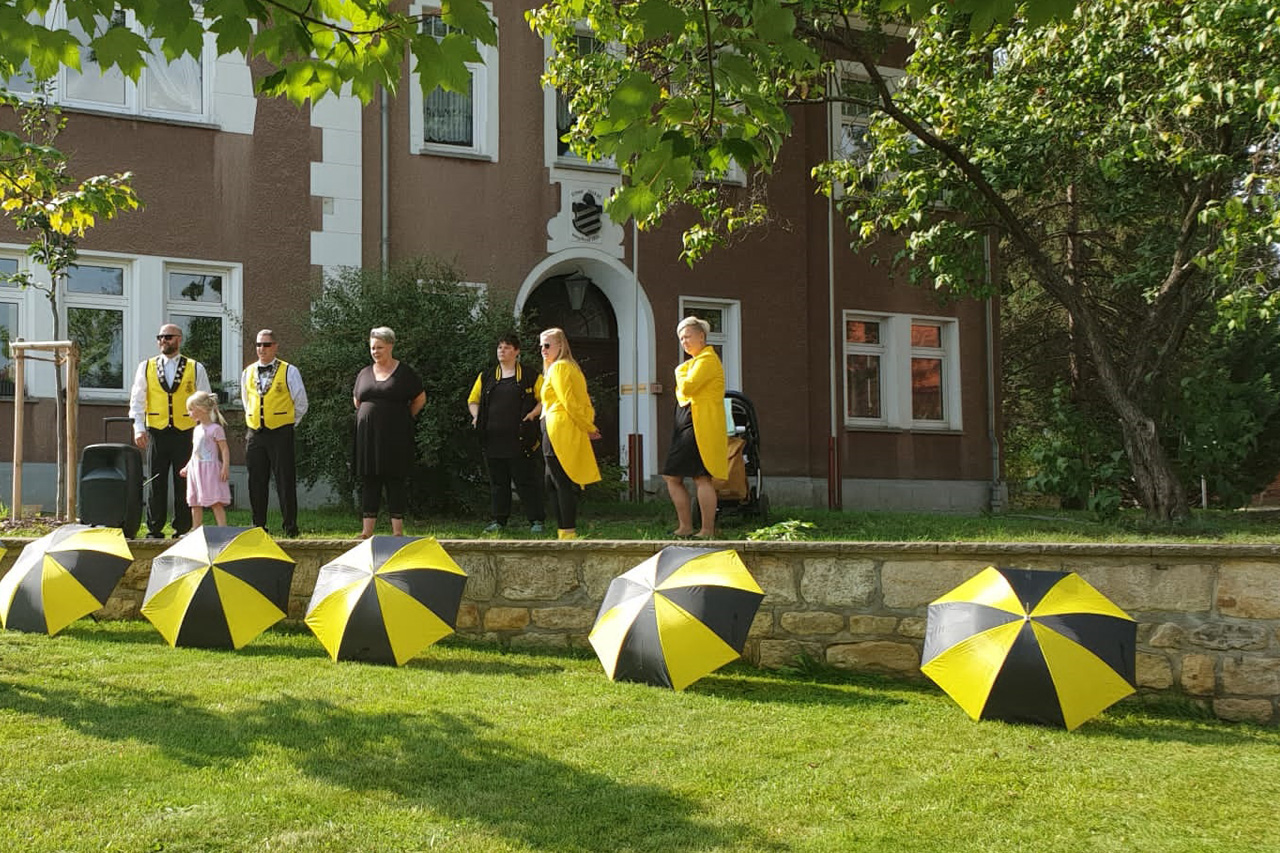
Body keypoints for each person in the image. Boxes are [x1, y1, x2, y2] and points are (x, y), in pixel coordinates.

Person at [129, 323, 212, 538]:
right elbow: (137, 400)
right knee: (156, 480)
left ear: (179, 339)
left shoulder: (195, 367)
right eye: (160, 337)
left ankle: (182, 528)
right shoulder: (146, 366)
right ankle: (154, 528)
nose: (163, 341)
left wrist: (205, 431)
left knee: (184, 480)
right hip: (156, 430)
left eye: (168, 337)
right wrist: (138, 428)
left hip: (186, 431)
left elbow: (205, 400)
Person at [468, 333, 546, 534]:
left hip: (521, 439)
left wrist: (533, 414)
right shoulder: (486, 376)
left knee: (526, 481)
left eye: (507, 347)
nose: (502, 351)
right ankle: (499, 521)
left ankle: (536, 521)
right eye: (500, 347)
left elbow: (545, 399)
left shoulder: (530, 375)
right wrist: (476, 416)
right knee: (498, 483)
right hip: (493, 439)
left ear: (517, 352)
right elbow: (473, 400)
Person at [353, 326, 425, 538]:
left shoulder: (405, 373)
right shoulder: (364, 373)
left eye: (380, 347)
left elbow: (420, 399)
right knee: (370, 480)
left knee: (395, 479)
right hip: (368, 436)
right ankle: (366, 532)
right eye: (372, 348)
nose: (375, 351)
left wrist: (402, 418)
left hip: (396, 435)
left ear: (391, 346)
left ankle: (397, 532)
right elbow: (357, 401)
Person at [662, 316, 729, 539]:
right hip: (687, 425)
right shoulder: (693, 363)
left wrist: (678, 372)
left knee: (701, 477)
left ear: (702, 336)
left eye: (688, 336)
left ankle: (706, 529)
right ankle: (685, 527)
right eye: (681, 338)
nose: (684, 341)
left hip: (699, 426)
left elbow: (687, 387)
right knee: (672, 476)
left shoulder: (707, 360)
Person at [240, 329, 308, 538]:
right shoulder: (248, 372)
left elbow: (301, 403)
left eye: (266, 344)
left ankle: (290, 526)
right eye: (259, 344)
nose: (262, 349)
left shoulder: (289, 371)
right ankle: (258, 525)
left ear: (275, 346)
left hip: (280, 433)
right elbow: (246, 401)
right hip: (255, 433)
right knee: (256, 480)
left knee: (285, 480)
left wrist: (287, 423)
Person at [538, 328, 600, 540]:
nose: (543, 350)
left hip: (558, 428)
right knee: (552, 481)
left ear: (560, 345)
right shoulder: (566, 367)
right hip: (557, 426)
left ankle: (567, 532)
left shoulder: (560, 367)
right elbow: (581, 400)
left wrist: (588, 426)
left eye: (547, 345)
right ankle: (564, 531)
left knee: (559, 481)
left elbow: (569, 402)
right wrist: (587, 424)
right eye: (541, 346)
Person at [179, 391, 231, 529]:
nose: (189, 413)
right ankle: (195, 529)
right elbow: (195, 451)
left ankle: (222, 529)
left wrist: (225, 467)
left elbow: (224, 449)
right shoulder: (196, 430)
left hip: (210, 471)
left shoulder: (216, 429)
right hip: (196, 470)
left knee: (215, 501)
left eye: (191, 409)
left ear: (201, 409)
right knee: (195, 502)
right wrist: (187, 466)